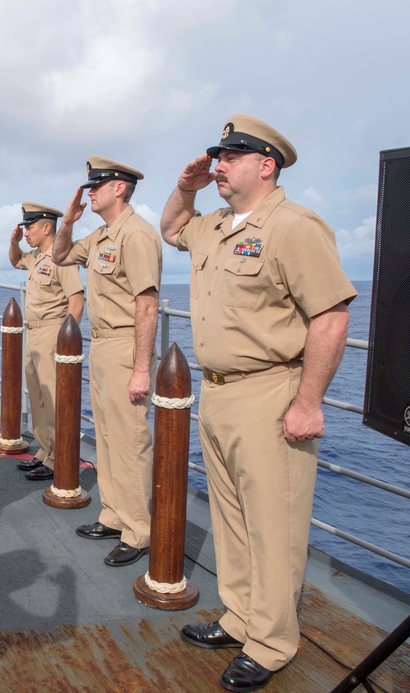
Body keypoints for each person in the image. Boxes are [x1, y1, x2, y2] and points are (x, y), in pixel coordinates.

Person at [159, 115, 356, 692]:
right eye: (217, 155)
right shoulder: (216, 225)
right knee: (232, 519)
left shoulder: (294, 227)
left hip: (271, 392)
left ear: (265, 164)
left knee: (274, 523)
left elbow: (331, 314)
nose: (218, 164)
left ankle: (271, 642)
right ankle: (240, 617)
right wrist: (186, 185)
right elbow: (172, 228)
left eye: (231, 156)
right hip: (217, 392)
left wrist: (309, 401)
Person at [52, 156, 161, 568]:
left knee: (130, 440)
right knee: (108, 437)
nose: (89, 191)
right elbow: (61, 256)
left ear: (120, 188)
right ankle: (114, 515)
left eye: (96, 185)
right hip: (100, 345)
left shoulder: (137, 235)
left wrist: (140, 368)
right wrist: (68, 221)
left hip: (124, 345)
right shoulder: (100, 236)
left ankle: (138, 531)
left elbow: (146, 304)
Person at [9, 202, 84, 481]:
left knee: (54, 400)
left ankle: (57, 458)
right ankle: (45, 451)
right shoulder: (36, 257)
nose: (26, 232)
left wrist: (66, 341)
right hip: (33, 333)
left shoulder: (60, 258)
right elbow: (15, 261)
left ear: (46, 228)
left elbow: (76, 300)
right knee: (39, 397)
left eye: (29, 227)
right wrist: (14, 242)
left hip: (53, 333)